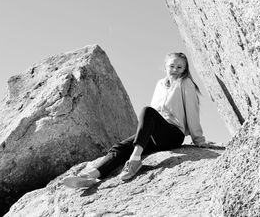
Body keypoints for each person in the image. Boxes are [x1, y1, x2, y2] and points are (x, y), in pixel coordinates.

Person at [64, 52, 206, 188]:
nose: (175, 70)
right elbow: (154, 114)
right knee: (120, 147)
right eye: (172, 66)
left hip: (173, 134)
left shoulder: (185, 83)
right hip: (155, 134)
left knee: (147, 111)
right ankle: (92, 175)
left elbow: (192, 111)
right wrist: (143, 134)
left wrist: (198, 139)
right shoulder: (160, 84)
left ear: (184, 69)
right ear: (165, 67)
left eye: (179, 67)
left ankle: (134, 160)